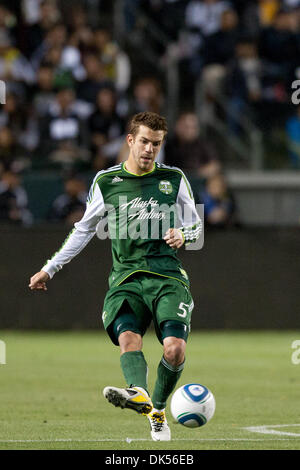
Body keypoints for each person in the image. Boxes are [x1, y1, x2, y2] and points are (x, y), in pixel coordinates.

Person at [28, 111, 202, 442]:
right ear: (130, 141)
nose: (151, 150)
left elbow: (197, 224)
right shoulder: (107, 182)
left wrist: (184, 235)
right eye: (145, 142)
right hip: (126, 279)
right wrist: (49, 267)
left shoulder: (174, 179)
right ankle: (137, 391)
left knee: (174, 350)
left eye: (157, 144)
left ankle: (158, 410)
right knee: (128, 339)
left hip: (167, 278)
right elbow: (83, 230)